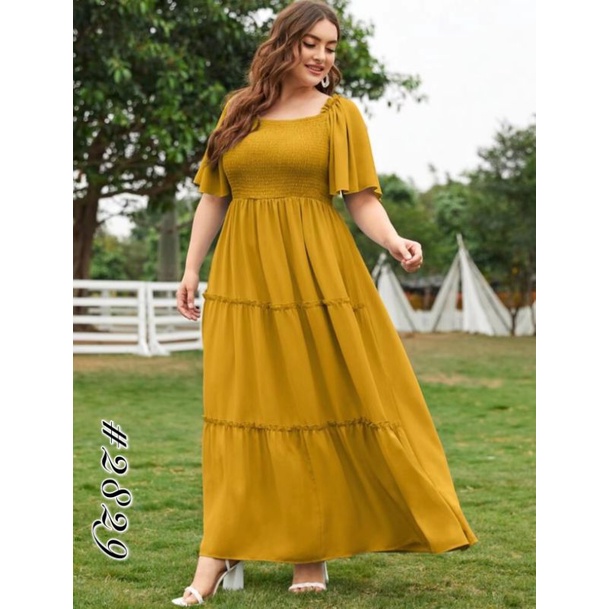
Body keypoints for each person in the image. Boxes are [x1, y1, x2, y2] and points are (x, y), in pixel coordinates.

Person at [174, 0, 477, 604]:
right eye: (310, 43)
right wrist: (190, 269)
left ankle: (308, 554)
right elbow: (214, 196)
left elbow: (360, 197)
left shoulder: (340, 115)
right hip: (243, 279)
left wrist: (394, 241)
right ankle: (222, 547)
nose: (321, 56)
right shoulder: (238, 110)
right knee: (239, 406)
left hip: (316, 278)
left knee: (312, 404)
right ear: (283, 43)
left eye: (330, 47)